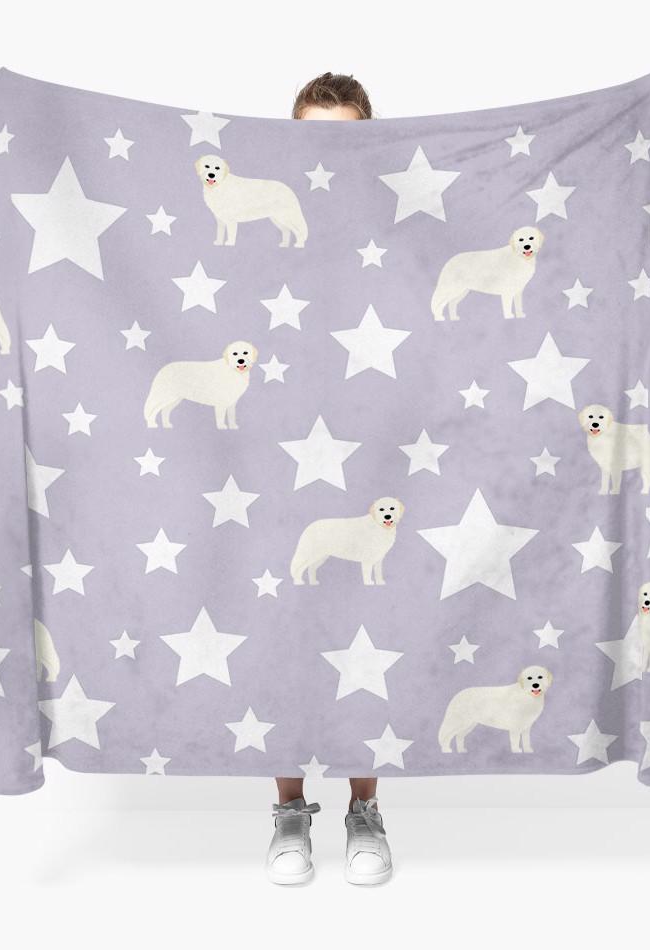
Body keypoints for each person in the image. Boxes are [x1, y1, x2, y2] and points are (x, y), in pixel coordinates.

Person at [263, 72, 391, 887]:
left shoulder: (404, 214)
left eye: (346, 137)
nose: (328, 155)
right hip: (273, 444)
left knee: (370, 629)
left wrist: (634, 118)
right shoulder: (271, 215)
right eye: (313, 137)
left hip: (375, 438)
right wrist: (29, 116)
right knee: (281, 624)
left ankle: (365, 811)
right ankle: (288, 812)